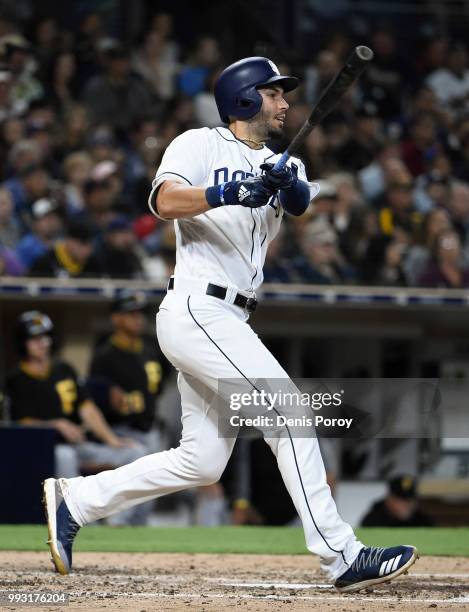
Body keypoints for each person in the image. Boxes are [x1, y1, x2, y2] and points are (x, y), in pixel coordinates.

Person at [43, 56, 417, 591]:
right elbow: (162, 200)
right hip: (198, 306)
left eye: (284, 95)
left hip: (230, 316)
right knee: (290, 414)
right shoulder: (198, 143)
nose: (285, 103)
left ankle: (75, 500)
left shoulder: (285, 161)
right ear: (244, 97)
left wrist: (283, 182)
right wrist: (229, 191)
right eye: (273, 93)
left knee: (201, 463)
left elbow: (301, 202)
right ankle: (341, 555)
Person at [6, 311, 146, 481]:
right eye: (34, 339)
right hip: (45, 449)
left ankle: (119, 509)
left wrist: (112, 440)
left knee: (136, 453)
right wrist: (57, 425)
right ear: (23, 343)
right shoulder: (15, 380)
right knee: (65, 456)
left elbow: (87, 408)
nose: (42, 344)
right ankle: (71, 508)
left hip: (79, 444)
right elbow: (19, 424)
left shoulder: (64, 369)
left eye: (45, 338)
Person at [88, 293, 167, 453]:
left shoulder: (152, 349)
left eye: (141, 314)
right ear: (116, 318)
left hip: (150, 428)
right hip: (120, 429)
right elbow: (95, 399)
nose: (138, 319)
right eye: (131, 314)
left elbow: (160, 385)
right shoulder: (105, 355)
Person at [361, 476, 434, 527]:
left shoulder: (423, 521)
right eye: (402, 500)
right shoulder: (373, 521)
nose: (407, 504)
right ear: (389, 500)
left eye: (410, 499)